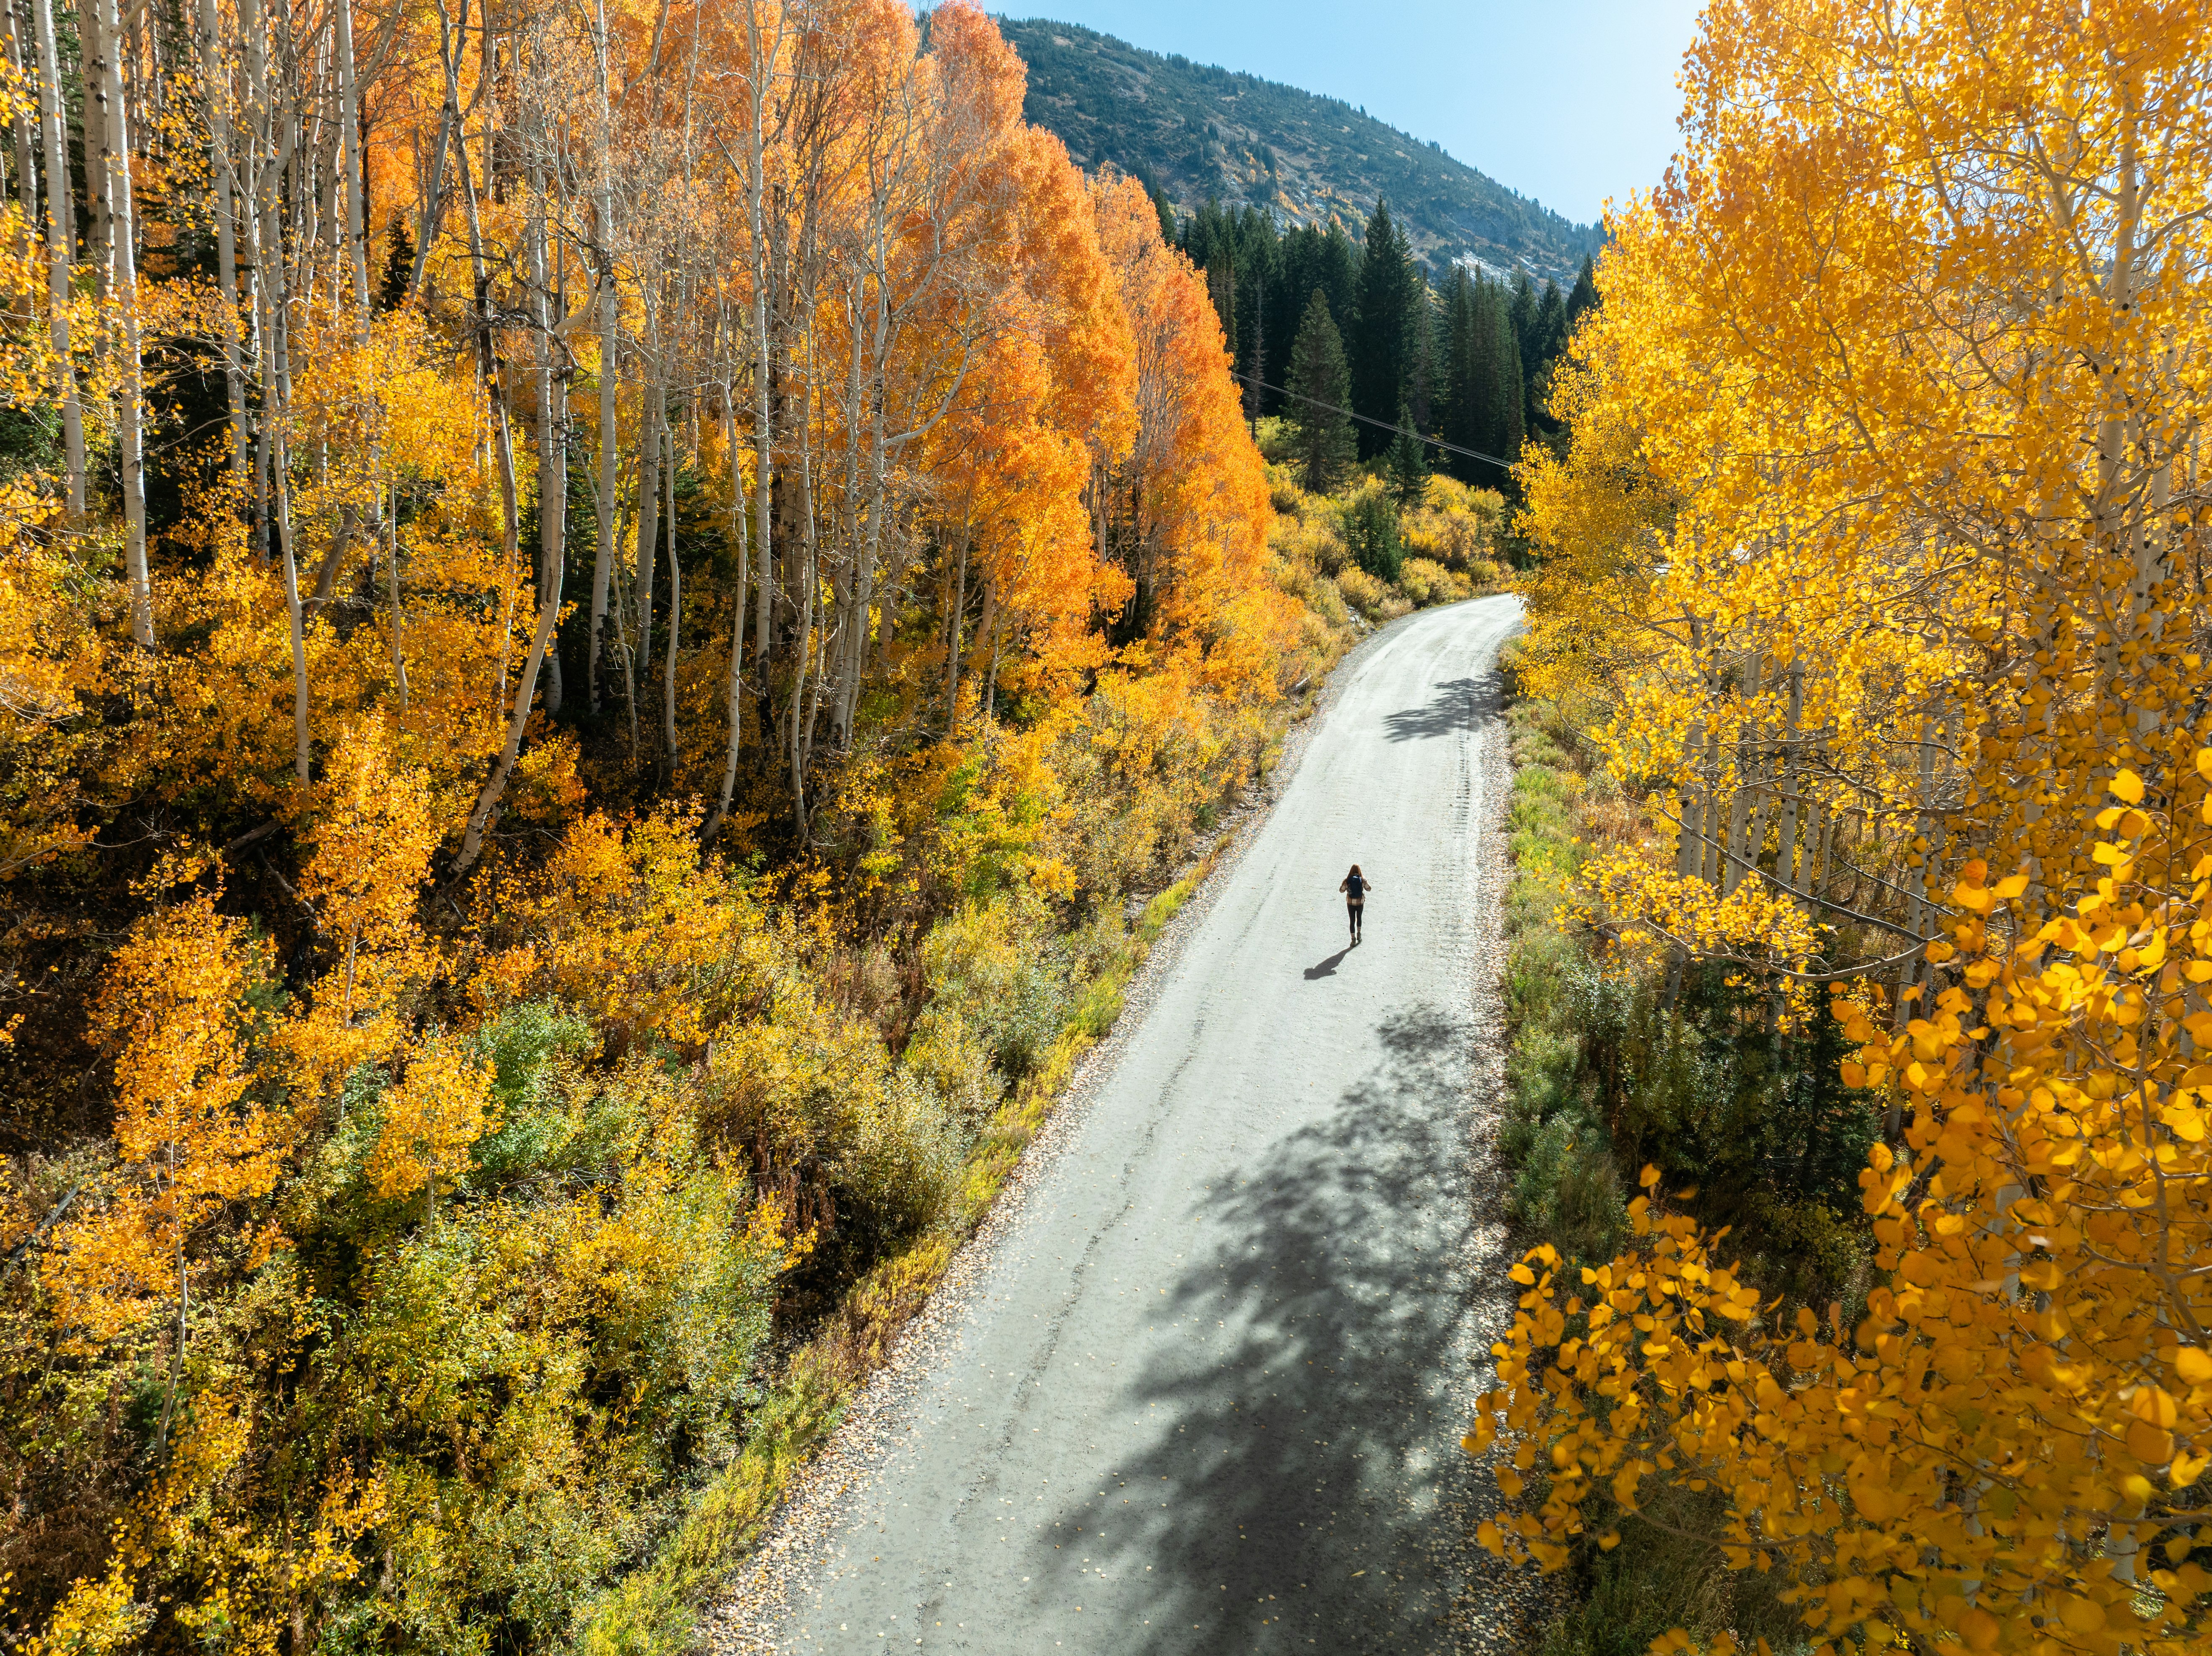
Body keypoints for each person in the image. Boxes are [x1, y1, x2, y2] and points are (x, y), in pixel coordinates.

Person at [1338, 864, 1371, 944]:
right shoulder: (1363, 880)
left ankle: (1353, 939)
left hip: (1350, 903)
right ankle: (1359, 934)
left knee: (1352, 921)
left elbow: (1341, 891)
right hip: (1360, 902)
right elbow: (1369, 889)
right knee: (1359, 918)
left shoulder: (1347, 880)